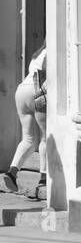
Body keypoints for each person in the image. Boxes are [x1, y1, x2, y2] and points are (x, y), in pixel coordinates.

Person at [2, 46, 48, 197]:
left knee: (28, 138)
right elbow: (46, 73)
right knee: (45, 137)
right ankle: (43, 179)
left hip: (21, 91)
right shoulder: (51, 51)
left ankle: (12, 172)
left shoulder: (37, 53)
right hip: (37, 89)